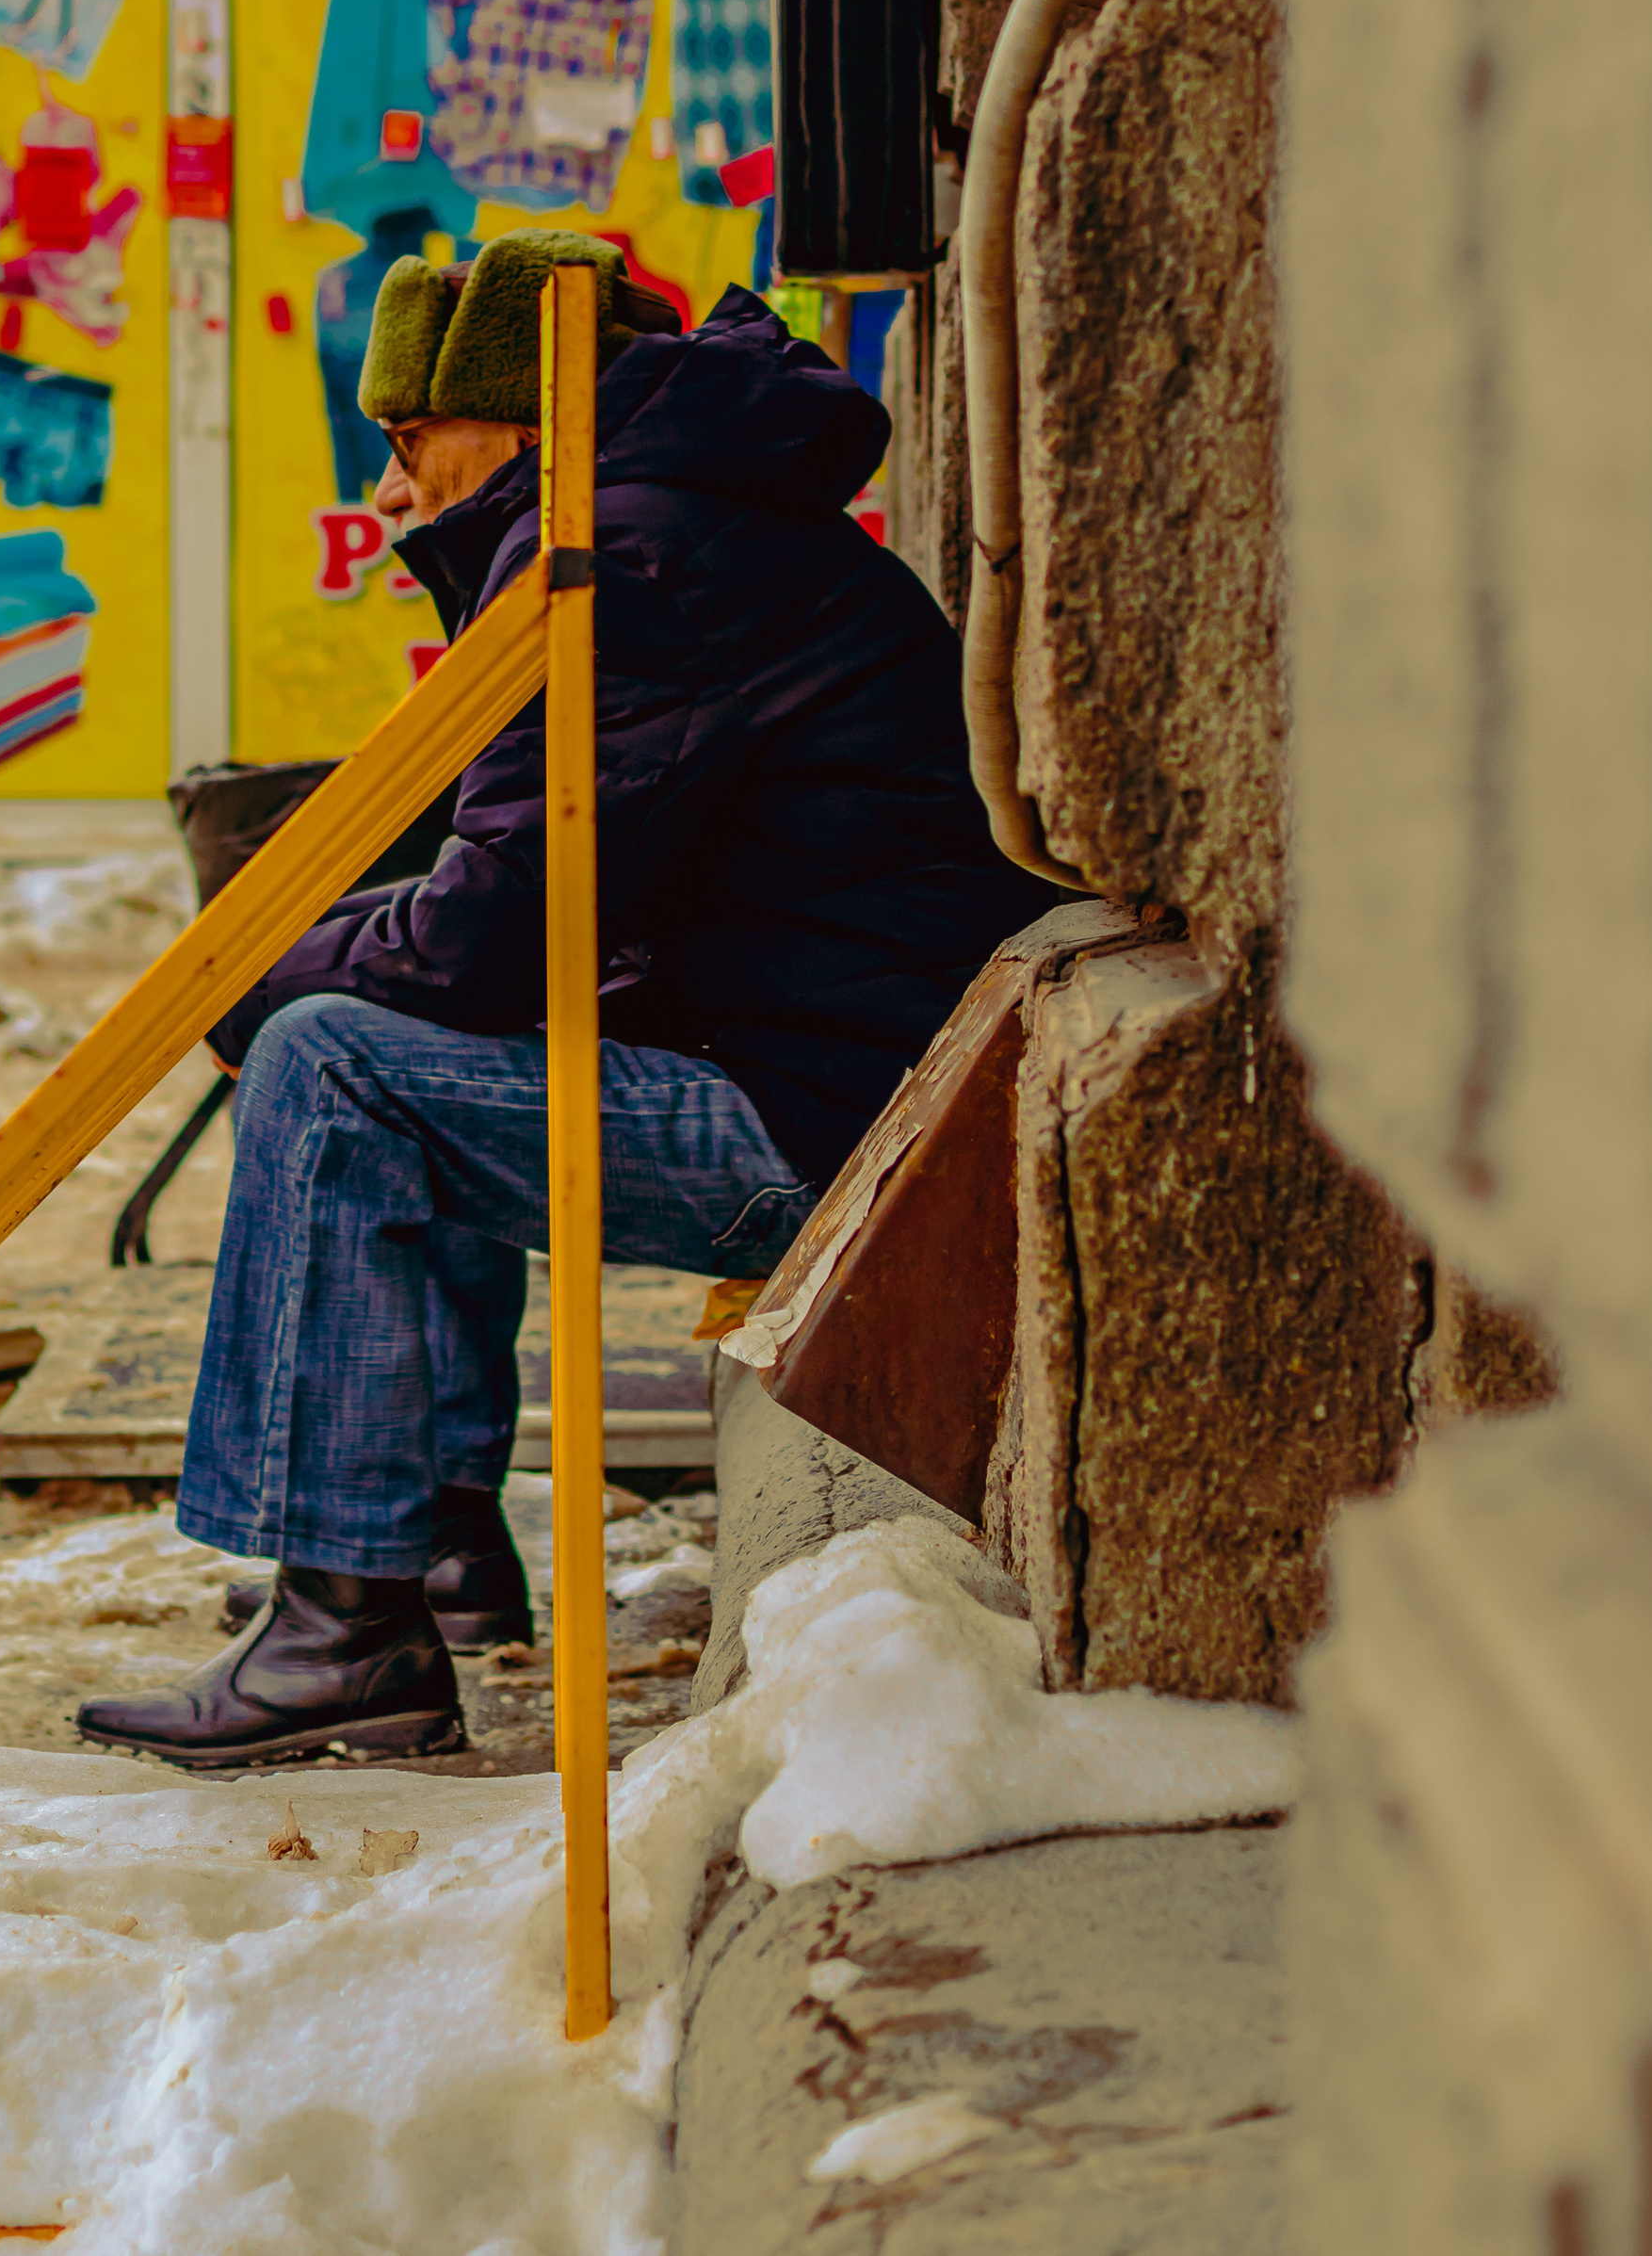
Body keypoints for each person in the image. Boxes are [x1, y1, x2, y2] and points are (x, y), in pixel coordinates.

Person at [73, 228, 1061, 1768]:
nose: (388, 488)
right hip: (847, 1077)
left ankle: (348, 1626)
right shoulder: (666, 520)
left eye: (409, 443)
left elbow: (494, 925)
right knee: (390, 1044)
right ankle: (430, 1545)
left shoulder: (633, 558)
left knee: (341, 1065)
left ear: (522, 418)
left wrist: (257, 980)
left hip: (839, 1132)